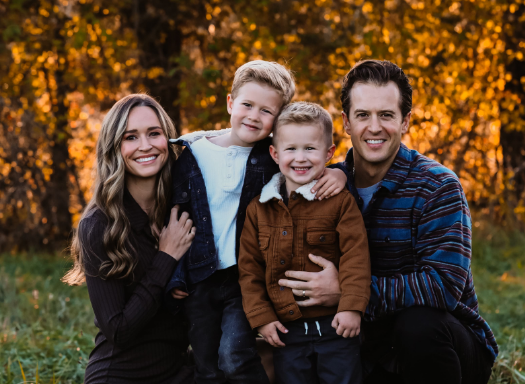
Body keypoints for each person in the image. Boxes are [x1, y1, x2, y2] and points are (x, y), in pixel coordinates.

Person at [278, 60, 498, 384]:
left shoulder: (437, 186)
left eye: (386, 115)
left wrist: (348, 291)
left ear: (406, 120)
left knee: (419, 324)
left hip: (444, 350)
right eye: (363, 115)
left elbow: (443, 287)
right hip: (362, 348)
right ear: (347, 122)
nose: (375, 127)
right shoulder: (321, 183)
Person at [164, 61, 348, 383]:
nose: (253, 116)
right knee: (206, 363)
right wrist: (176, 275)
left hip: (245, 279)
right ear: (230, 103)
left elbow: (311, 158)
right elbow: (178, 215)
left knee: (234, 355)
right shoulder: (191, 153)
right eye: (247, 105)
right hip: (199, 278)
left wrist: (338, 172)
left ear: (279, 121)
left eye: (267, 112)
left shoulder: (272, 157)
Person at [62, 94, 195, 384]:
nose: (145, 145)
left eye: (154, 133)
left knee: (266, 359)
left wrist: (318, 177)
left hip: (179, 370)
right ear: (114, 148)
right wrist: (166, 257)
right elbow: (119, 330)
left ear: (168, 140)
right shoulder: (98, 225)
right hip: (122, 375)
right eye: (131, 137)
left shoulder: (182, 208)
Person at [238, 102, 371, 384]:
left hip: (337, 327)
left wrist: (351, 306)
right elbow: (249, 269)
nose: (301, 158)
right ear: (274, 153)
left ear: (329, 153)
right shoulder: (258, 209)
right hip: (288, 331)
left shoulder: (340, 202)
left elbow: (355, 255)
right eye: (291, 149)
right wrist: (261, 316)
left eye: (310, 148)